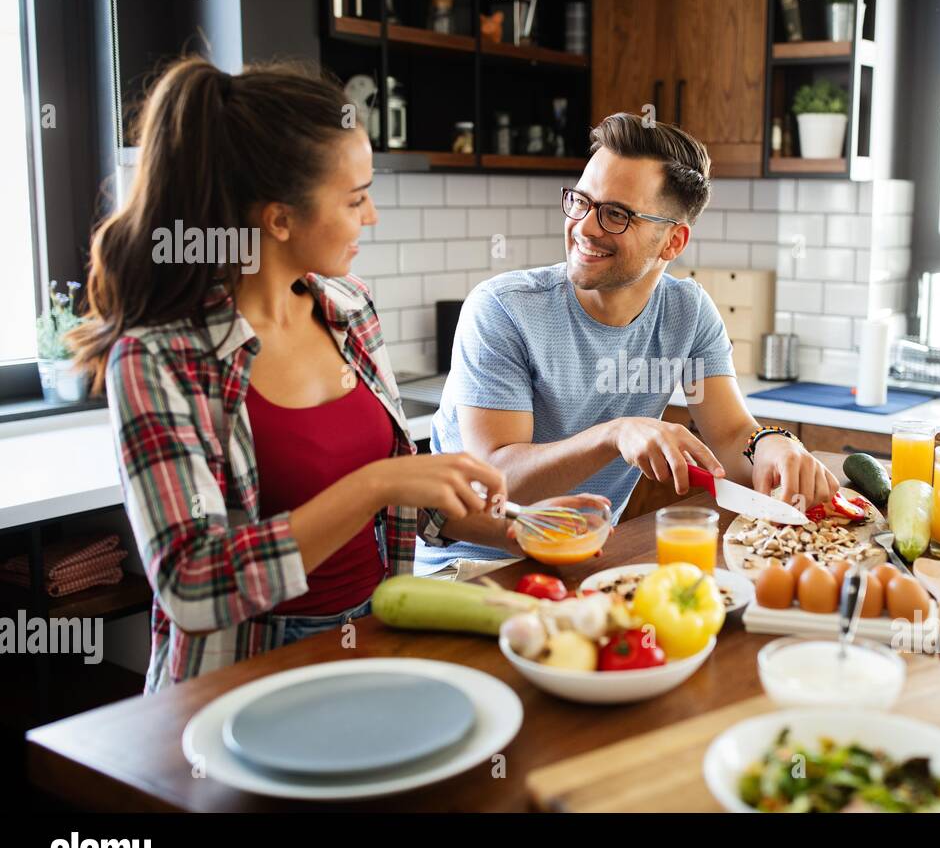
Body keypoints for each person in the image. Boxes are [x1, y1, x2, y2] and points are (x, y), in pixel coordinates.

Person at [70, 58, 600, 692]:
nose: (371, 216)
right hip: (245, 673)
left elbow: (409, 505)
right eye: (355, 199)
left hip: (376, 636)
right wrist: (375, 483)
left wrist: (523, 521)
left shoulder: (348, 309)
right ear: (278, 218)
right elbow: (194, 583)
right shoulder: (159, 357)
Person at [421, 113, 837, 576]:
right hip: (470, 570)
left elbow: (731, 437)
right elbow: (495, 484)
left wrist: (772, 447)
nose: (586, 227)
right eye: (581, 201)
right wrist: (615, 434)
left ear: (672, 242)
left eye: (616, 214)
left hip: (584, 564)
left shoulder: (687, 312)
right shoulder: (503, 310)